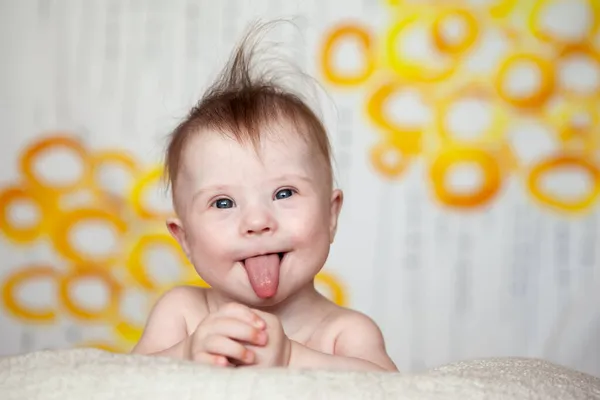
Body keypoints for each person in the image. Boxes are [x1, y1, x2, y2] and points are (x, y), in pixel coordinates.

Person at [131, 22, 398, 372]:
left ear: (331, 215)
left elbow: (394, 390)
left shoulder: (343, 334)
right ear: (185, 240)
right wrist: (185, 353)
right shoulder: (181, 313)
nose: (257, 222)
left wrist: (291, 357)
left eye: (284, 193)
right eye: (223, 202)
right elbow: (121, 381)